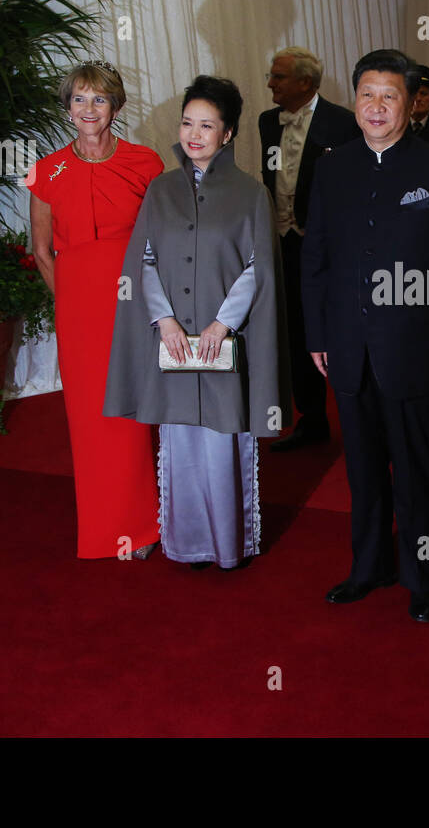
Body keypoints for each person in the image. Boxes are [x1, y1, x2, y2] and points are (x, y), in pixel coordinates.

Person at [301, 48, 429, 624]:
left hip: (417, 349)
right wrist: (318, 334)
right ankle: (367, 566)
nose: (376, 106)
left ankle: (422, 575)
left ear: (411, 102)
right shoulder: (332, 166)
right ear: (355, 101)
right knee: (363, 469)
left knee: (419, 472)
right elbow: (316, 257)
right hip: (347, 348)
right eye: (367, 94)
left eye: (389, 95)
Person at [105, 76, 289, 570]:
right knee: (180, 441)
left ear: (228, 133)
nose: (195, 134)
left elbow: (258, 268)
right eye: (188, 123)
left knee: (222, 442)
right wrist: (162, 318)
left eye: (207, 125)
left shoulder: (251, 192)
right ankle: (187, 545)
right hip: (174, 343)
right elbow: (142, 260)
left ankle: (228, 545)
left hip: (221, 344)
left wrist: (221, 325)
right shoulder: (161, 190)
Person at [28, 61, 161, 560]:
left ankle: (142, 526)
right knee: (90, 418)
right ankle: (104, 525)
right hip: (79, 309)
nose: (89, 110)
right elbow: (42, 252)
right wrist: (72, 304)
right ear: (67, 110)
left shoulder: (145, 163)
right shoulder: (46, 171)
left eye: (99, 100)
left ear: (116, 107)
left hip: (132, 302)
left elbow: (161, 241)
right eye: (79, 100)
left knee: (130, 413)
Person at [258, 47, 360, 452]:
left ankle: (356, 417)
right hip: (284, 243)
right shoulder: (268, 122)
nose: (270, 83)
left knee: (339, 330)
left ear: (305, 82)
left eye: (278, 76)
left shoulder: (344, 122)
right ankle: (312, 418)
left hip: (330, 248)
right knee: (297, 332)